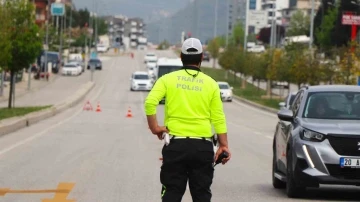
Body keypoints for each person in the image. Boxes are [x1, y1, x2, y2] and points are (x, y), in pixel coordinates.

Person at [144, 38, 231, 202]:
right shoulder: (211, 84)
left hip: (176, 146)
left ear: (181, 57)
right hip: (203, 148)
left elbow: (150, 102)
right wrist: (224, 145)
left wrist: (155, 128)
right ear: (202, 57)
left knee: (172, 192)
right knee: (202, 194)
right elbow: (218, 118)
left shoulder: (167, 79)